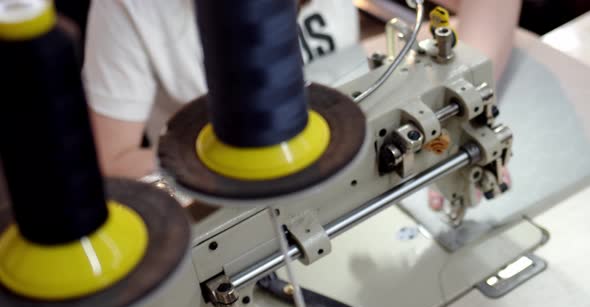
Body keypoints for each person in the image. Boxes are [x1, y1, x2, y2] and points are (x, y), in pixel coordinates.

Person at [83, 0, 522, 179]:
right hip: (237, 199)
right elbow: (112, 160)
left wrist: (459, 98)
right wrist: (233, 166)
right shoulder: (128, 8)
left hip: (360, 163)